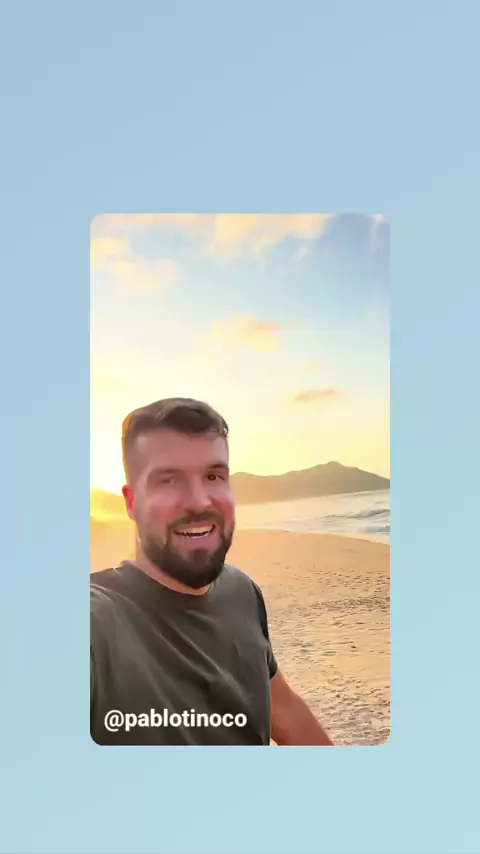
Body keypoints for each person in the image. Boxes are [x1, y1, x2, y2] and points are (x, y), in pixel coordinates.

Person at [91, 397, 333, 745]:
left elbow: (283, 709)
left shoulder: (241, 591)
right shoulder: (98, 620)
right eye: (168, 480)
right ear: (131, 502)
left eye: (213, 476)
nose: (199, 501)